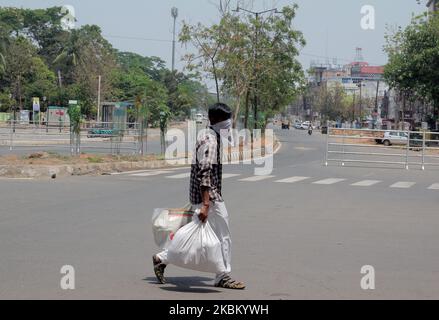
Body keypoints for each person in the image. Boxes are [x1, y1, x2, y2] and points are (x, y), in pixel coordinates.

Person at [152, 102, 246, 290]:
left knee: (203, 236)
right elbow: (205, 172)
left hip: (203, 195)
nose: (229, 123)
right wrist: (205, 204)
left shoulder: (207, 134)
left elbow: (230, 142)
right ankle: (223, 275)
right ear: (215, 120)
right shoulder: (210, 141)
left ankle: (162, 258)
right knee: (223, 236)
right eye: (226, 120)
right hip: (210, 196)